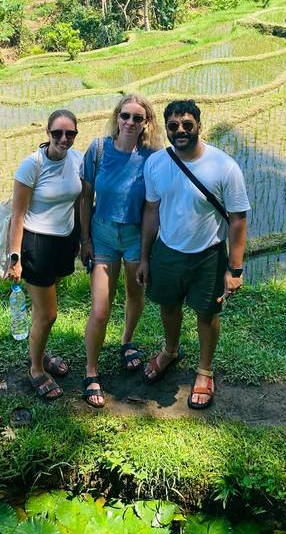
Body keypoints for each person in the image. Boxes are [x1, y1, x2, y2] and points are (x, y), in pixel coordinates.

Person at [137, 99, 250, 411]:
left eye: (187, 124)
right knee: (168, 307)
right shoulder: (156, 164)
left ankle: (204, 370)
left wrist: (235, 269)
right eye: (173, 126)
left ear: (199, 125)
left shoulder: (224, 166)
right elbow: (151, 210)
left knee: (207, 313)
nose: (180, 131)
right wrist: (145, 257)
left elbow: (238, 218)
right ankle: (170, 351)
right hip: (167, 251)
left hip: (209, 255)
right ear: (167, 128)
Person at [79, 94, 162, 409]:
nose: (129, 122)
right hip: (101, 235)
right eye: (125, 116)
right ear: (117, 117)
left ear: (146, 124)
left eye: (137, 118)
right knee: (100, 309)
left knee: (134, 294)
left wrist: (145, 255)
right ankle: (90, 371)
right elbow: (85, 197)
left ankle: (126, 340)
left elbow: (152, 207)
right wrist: (84, 240)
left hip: (134, 237)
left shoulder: (152, 158)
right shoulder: (98, 149)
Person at [7, 109, 83, 401]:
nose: (64, 139)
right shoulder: (32, 165)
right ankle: (37, 369)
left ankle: (40, 352)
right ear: (47, 133)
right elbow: (18, 214)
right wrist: (15, 258)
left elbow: (79, 201)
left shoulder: (77, 159)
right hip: (37, 244)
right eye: (57, 133)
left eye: (70, 133)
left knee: (43, 312)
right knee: (49, 314)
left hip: (64, 241)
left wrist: (80, 239)